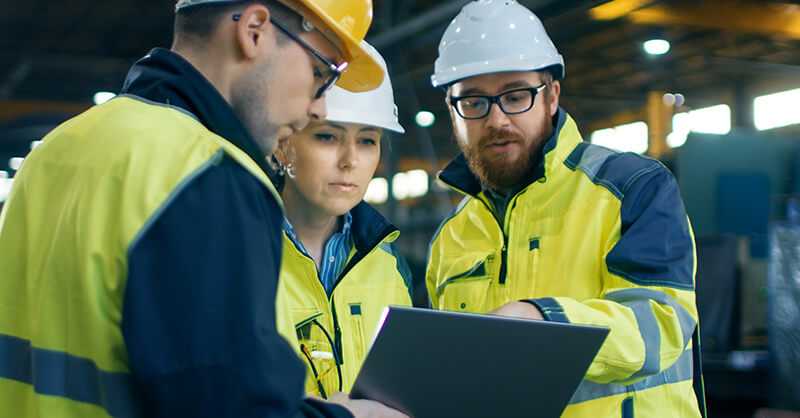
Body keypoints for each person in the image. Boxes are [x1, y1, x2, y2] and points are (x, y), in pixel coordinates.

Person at [0, 1, 406, 417]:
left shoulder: (55, 150)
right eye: (321, 73)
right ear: (254, 30)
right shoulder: (208, 175)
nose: (318, 107)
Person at [425, 1, 705, 417]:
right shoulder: (451, 237)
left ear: (551, 96)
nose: (497, 119)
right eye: (473, 102)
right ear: (452, 111)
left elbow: (660, 327)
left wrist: (544, 320)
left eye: (516, 96)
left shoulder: (633, 188)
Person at [273, 42, 413, 399]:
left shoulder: (390, 265)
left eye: (367, 141)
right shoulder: (238, 254)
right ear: (281, 145)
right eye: (327, 137)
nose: (350, 160)